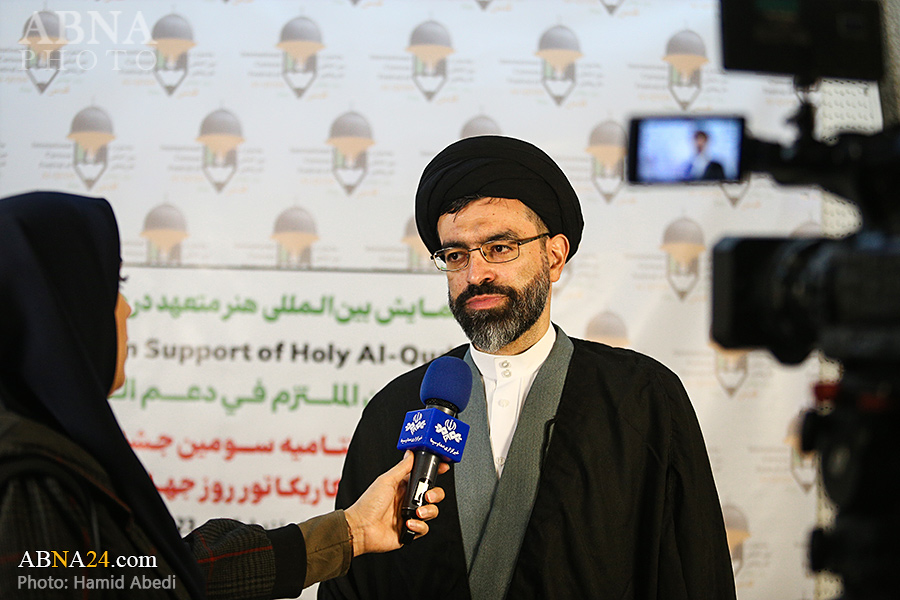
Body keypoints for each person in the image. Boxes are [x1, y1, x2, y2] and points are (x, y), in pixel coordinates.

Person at [318, 135, 736, 600]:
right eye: (456, 255)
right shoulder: (394, 409)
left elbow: (694, 572)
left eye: (500, 247)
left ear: (554, 256)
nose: (475, 274)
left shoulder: (642, 398)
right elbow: (351, 587)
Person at [0, 191, 447, 599]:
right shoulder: (27, 481)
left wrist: (353, 530)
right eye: (114, 286)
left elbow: (155, 578)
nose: (127, 307)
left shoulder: (52, 454)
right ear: (61, 308)